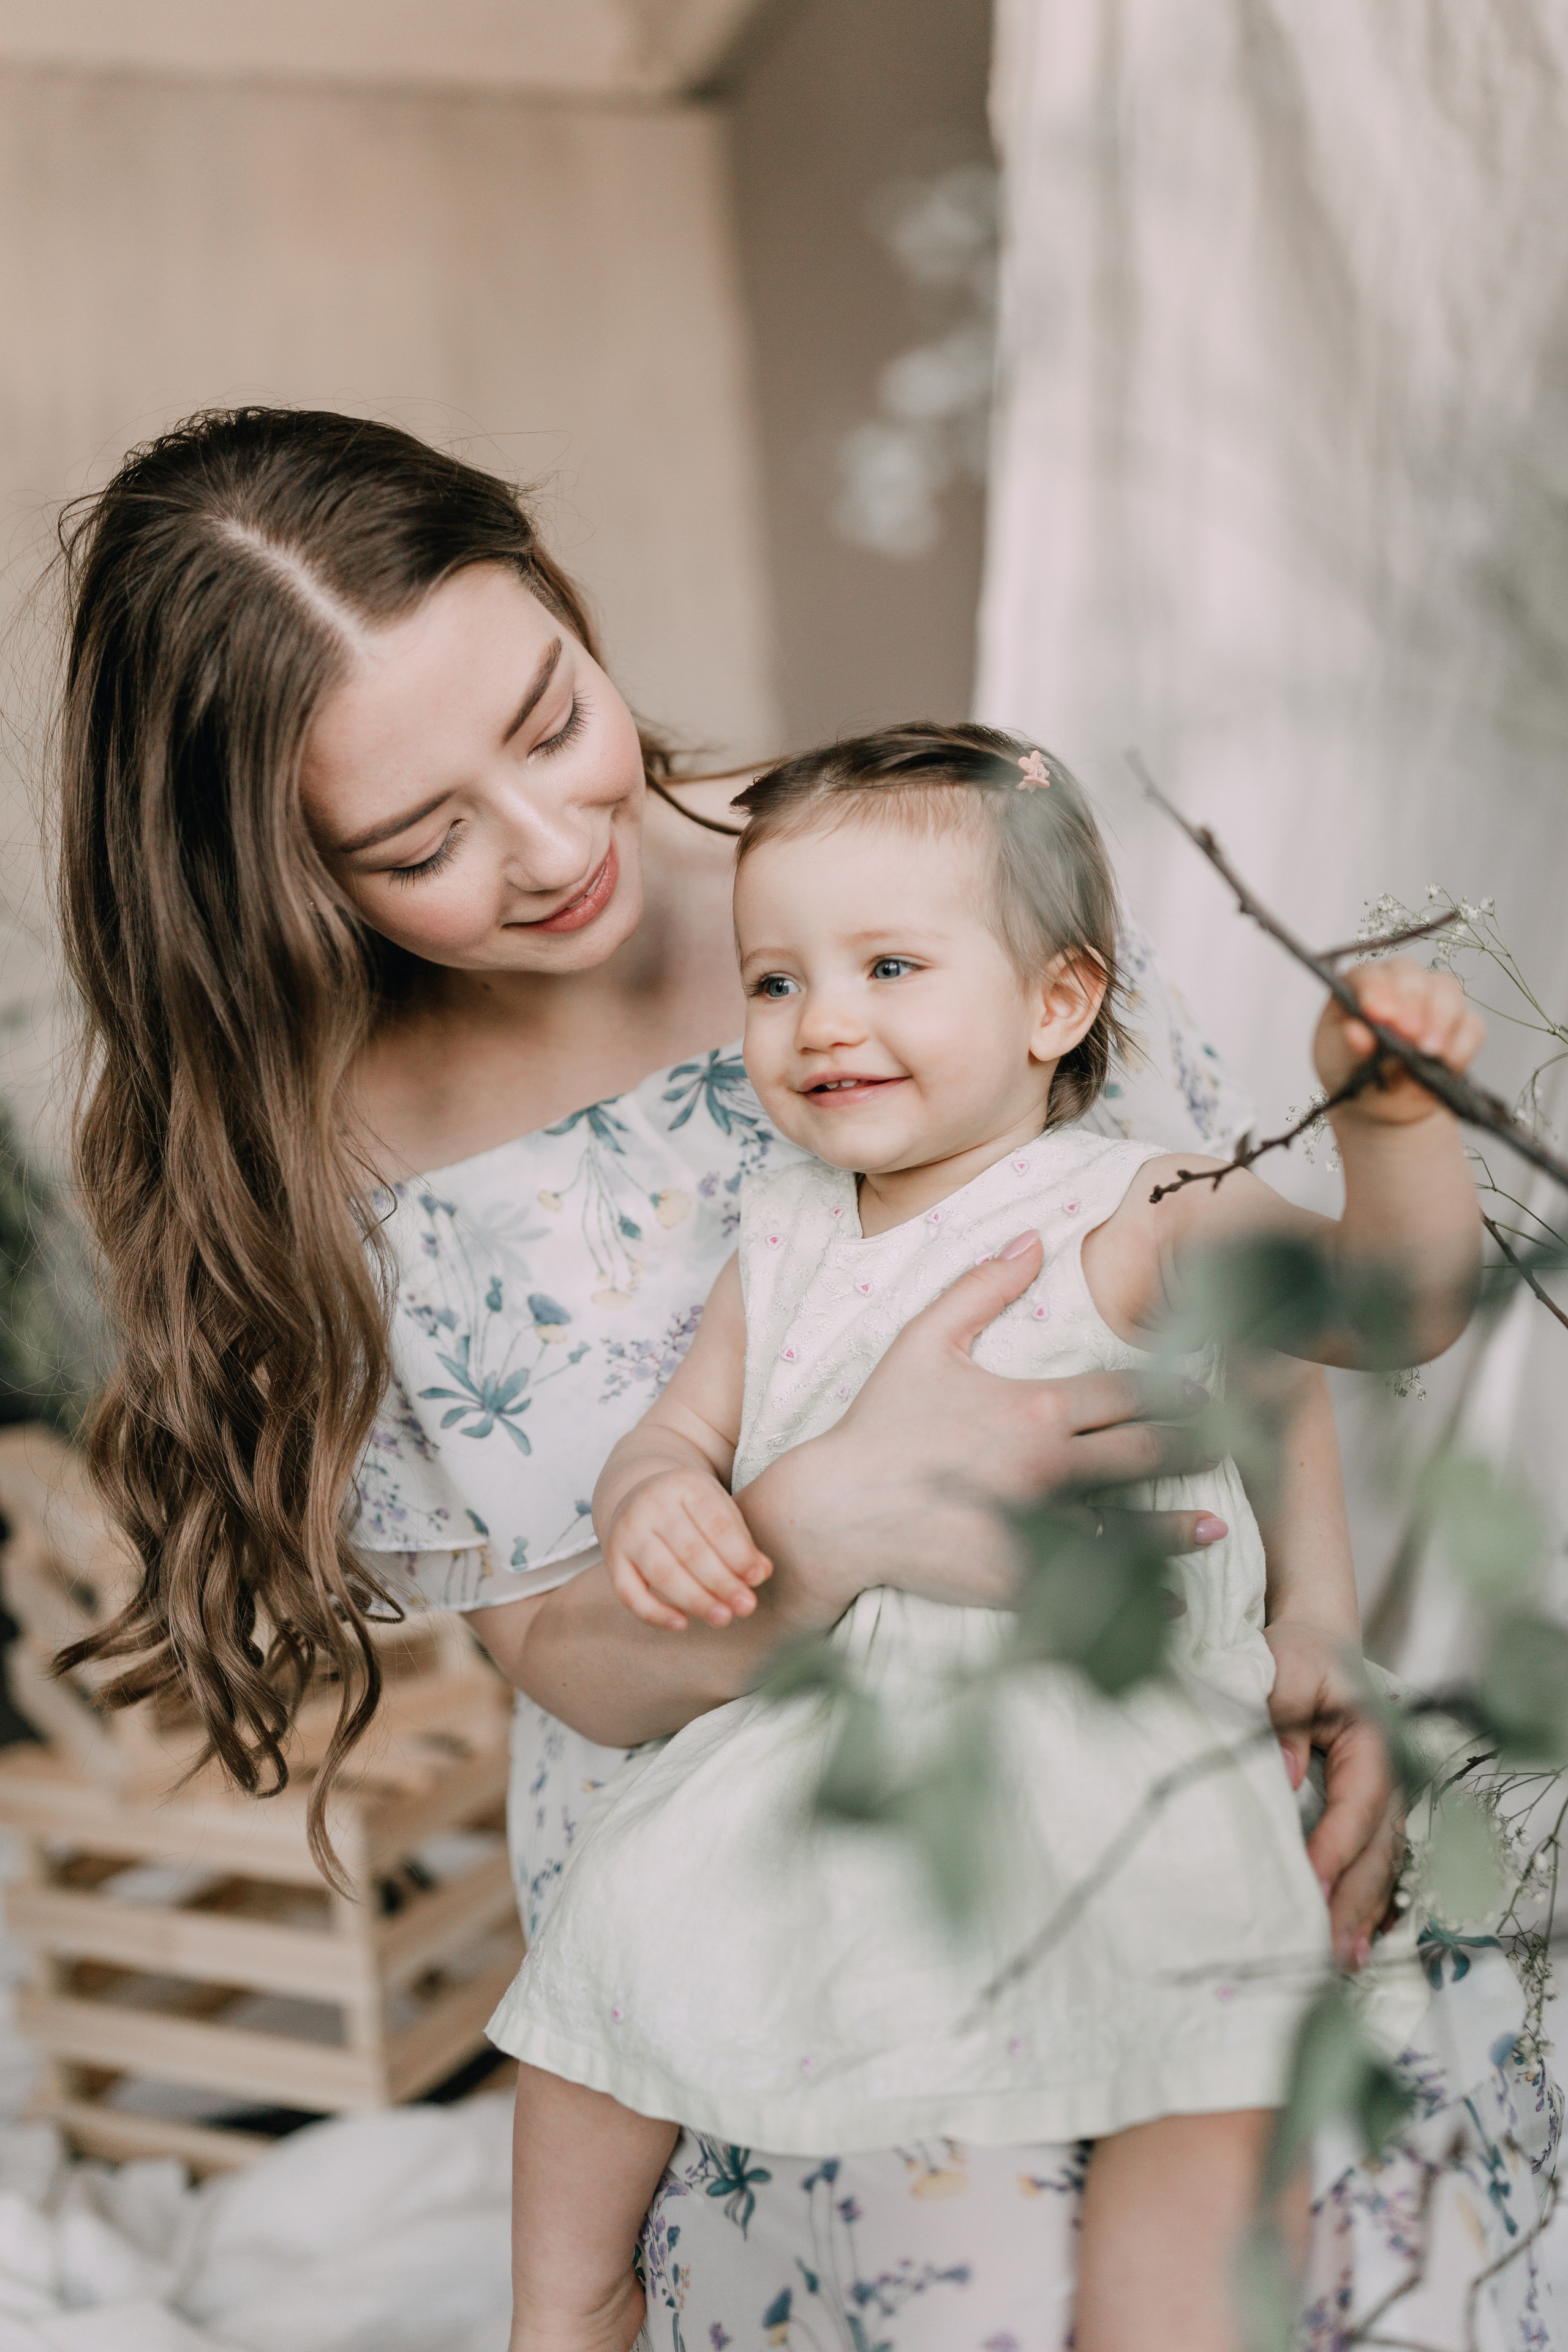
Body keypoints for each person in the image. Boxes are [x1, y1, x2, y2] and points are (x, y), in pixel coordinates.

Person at [50, 410, 1544, 2352]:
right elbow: (567, 1660)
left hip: (1140, 1735)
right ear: (275, 877)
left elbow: (1210, 1290)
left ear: (571, 609)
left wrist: (1321, 1629)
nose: (554, 843)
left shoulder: (913, 853)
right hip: (758, 1843)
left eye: (552, 716)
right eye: (419, 845)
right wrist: (809, 1524)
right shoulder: (348, 1157)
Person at [486, 726, 1482, 2352]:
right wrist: (655, 1497)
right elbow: (680, 1427)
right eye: (775, 982)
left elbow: (1387, 1312)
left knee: (1197, 2069)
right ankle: (561, 2311)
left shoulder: (1136, 1212)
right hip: (820, 1735)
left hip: (1092, 1738)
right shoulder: (785, 1230)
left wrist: (1386, 1129)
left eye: (888, 965)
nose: (826, 1023)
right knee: (607, 1976)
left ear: (1056, 1003)